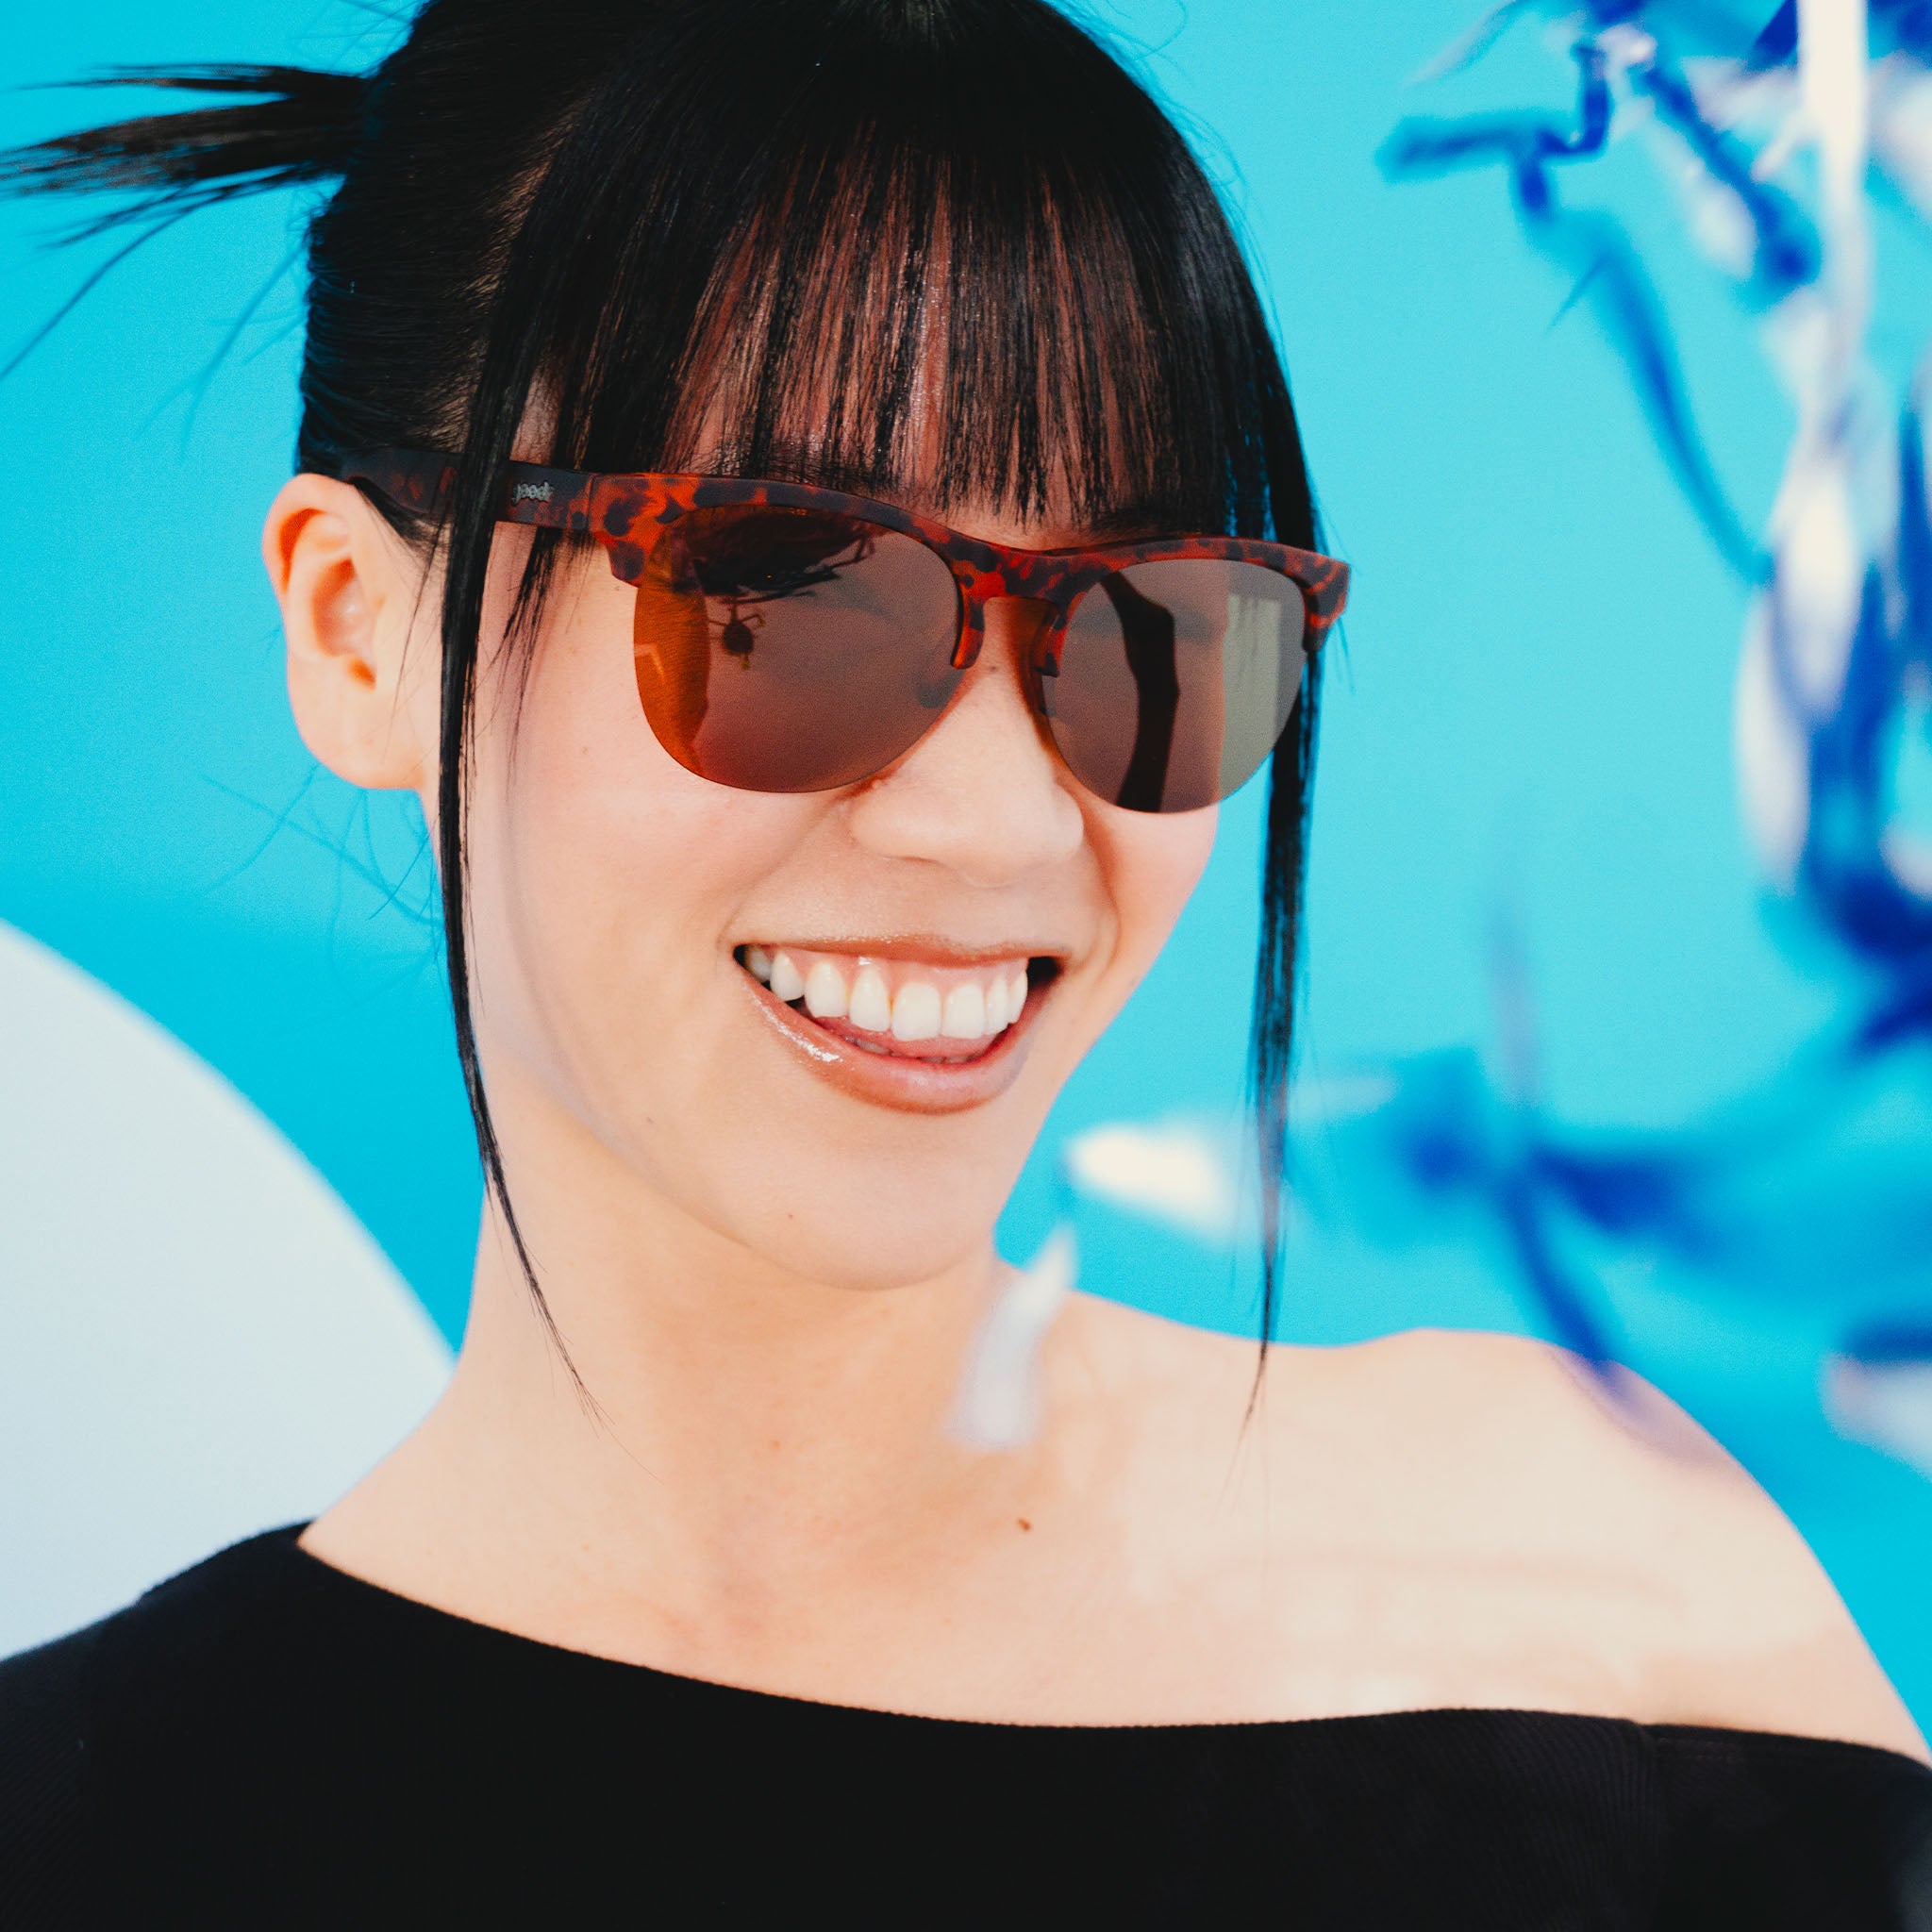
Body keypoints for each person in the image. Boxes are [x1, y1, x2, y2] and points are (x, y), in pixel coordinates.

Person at [2, 2, 1928, 1924]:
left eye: (1147, 625)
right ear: (359, 635)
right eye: (777, 594)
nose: (998, 828)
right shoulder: (84, 1829)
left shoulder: (1593, 1601)